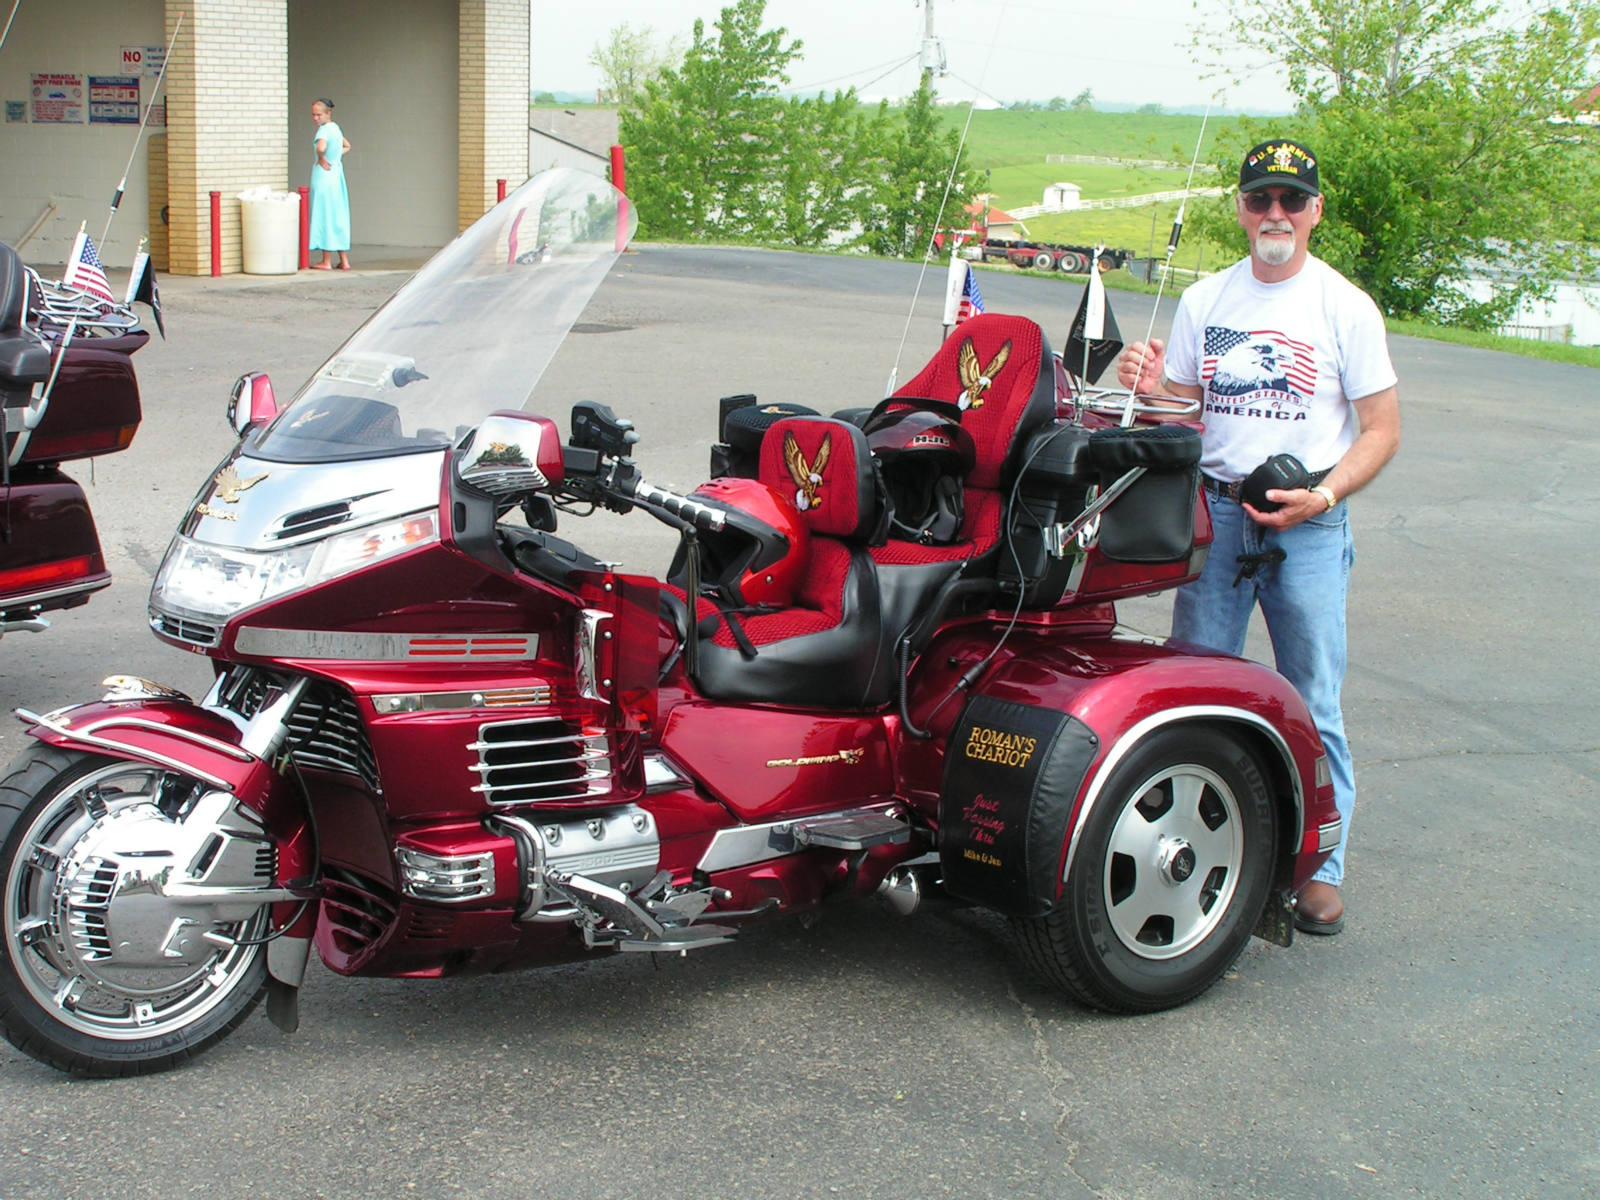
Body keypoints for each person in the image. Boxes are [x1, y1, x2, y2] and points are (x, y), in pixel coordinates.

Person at [1115, 139, 1401, 936]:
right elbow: (1182, 408)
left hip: (1307, 522)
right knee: (1194, 686)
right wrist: (1153, 386)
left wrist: (1326, 493)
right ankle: (1217, 839)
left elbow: (1381, 429)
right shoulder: (1207, 299)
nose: (1275, 214)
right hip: (1217, 513)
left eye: (1291, 200)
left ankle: (1322, 867)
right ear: (1241, 209)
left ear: (1315, 211)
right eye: (1260, 199)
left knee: (1312, 698)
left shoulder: (1344, 306)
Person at [308, 98, 351, 270]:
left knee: (324, 214)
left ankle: (326, 261)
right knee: (337, 215)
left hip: (324, 176)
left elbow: (321, 147)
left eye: (319, 115)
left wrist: (321, 158)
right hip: (336, 175)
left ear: (327, 113)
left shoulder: (324, 131)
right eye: (314, 115)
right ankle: (344, 260)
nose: (316, 118)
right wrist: (336, 157)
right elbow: (347, 145)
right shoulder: (336, 128)